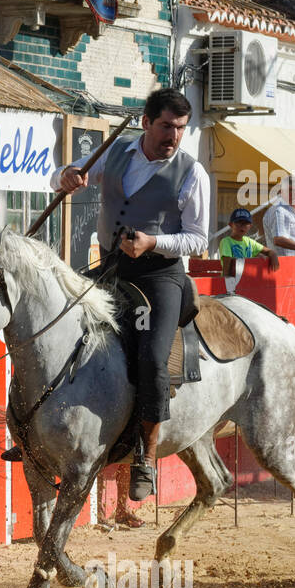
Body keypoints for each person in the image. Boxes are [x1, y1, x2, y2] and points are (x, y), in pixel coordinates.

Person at [50, 87, 209, 500]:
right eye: (165, 126)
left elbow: (197, 239)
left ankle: (145, 457)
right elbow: (65, 175)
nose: (173, 136)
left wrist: (152, 243)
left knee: (153, 360)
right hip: (111, 270)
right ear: (145, 122)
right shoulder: (115, 150)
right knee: (68, 339)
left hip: (160, 277)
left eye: (179, 128)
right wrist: (66, 177)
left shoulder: (193, 173)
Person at [217, 207, 278, 278]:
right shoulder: (226, 241)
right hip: (232, 281)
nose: (242, 227)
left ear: (250, 226)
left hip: (247, 280)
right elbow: (227, 264)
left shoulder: (249, 242)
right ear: (231, 225)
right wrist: (226, 283)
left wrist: (273, 256)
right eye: (238, 223)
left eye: (246, 223)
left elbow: (269, 251)